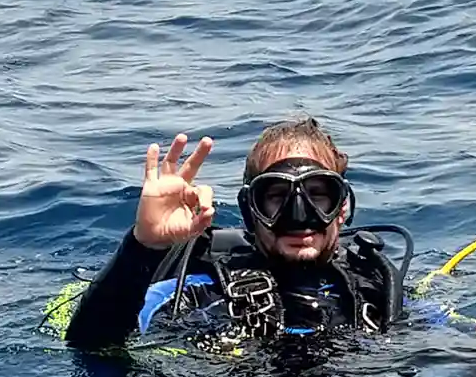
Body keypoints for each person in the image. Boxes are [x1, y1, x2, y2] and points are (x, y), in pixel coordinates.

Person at [60, 119, 409, 349]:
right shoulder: (199, 290)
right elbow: (90, 344)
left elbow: (445, 344)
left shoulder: (376, 286)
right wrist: (144, 246)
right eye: (275, 197)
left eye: (319, 195)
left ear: (342, 207)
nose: (300, 217)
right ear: (249, 210)